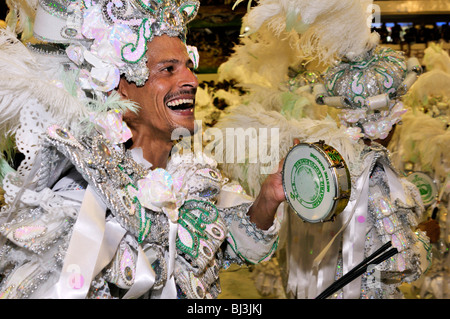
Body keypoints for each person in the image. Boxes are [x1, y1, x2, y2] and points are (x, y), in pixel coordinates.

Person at [0, 0, 285, 299]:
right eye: (168, 69)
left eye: (188, 66)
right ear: (120, 87)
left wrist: (268, 197)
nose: (191, 80)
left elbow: (226, 244)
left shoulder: (190, 174)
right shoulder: (83, 202)